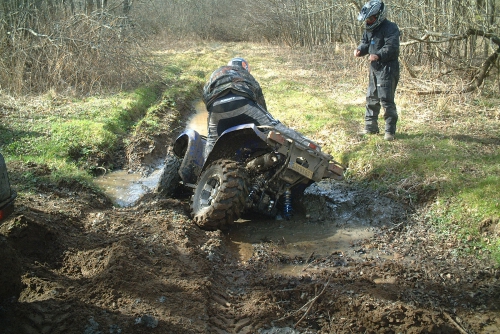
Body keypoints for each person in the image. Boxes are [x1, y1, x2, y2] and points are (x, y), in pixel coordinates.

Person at [202, 57, 305, 157]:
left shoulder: (216, 73)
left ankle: (205, 171)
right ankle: (309, 147)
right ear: (245, 67)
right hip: (242, 102)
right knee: (273, 126)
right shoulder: (244, 73)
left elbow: (205, 95)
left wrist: (214, 109)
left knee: (211, 141)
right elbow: (260, 100)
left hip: (216, 107)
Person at [354, 0, 400, 141]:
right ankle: (370, 127)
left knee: (386, 100)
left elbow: (392, 47)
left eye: (371, 18)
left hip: (387, 68)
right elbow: (365, 43)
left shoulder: (390, 28)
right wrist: (360, 50)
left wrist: (378, 55)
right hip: (374, 68)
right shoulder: (369, 29)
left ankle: (389, 131)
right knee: (371, 97)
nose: (368, 21)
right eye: (367, 19)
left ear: (379, 15)